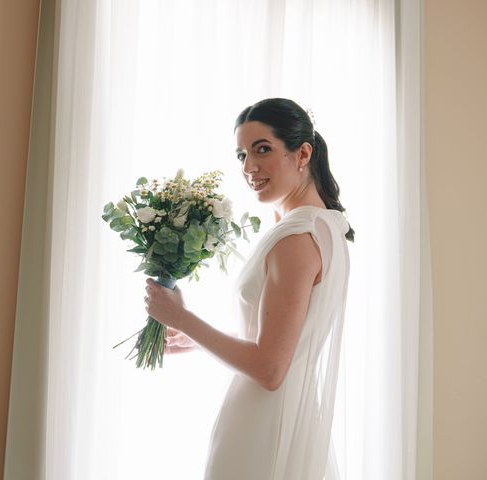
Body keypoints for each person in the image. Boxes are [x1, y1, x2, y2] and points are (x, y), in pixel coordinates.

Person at [143, 98, 354, 479]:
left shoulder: (297, 236)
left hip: (263, 429)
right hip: (286, 420)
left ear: (302, 153)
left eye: (262, 150)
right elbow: (282, 342)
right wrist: (198, 337)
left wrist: (181, 318)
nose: (248, 167)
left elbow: (270, 369)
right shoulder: (324, 227)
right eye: (241, 154)